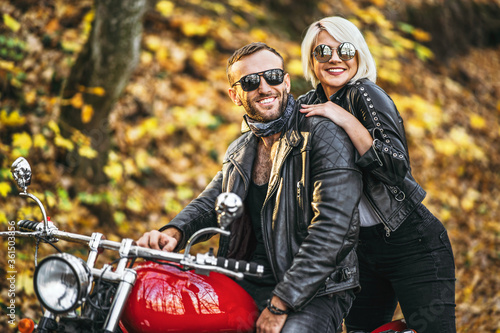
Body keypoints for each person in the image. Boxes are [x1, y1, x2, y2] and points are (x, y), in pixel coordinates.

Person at [137, 42, 363, 333]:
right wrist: (173, 232)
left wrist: (282, 302)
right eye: (250, 81)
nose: (264, 87)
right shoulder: (241, 148)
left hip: (316, 289)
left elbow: (334, 228)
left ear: (286, 81)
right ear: (235, 95)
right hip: (245, 278)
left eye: (272, 76)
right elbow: (214, 200)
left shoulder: (322, 134)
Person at [298, 16, 456, 333]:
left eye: (344, 48)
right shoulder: (307, 106)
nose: (335, 58)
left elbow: (396, 168)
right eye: (322, 52)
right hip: (357, 252)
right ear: (311, 60)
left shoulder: (366, 94)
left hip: (412, 243)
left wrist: (345, 119)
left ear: (358, 53)